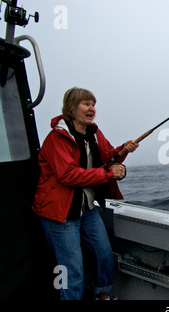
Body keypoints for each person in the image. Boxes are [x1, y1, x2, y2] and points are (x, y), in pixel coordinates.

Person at [32, 87, 139, 300]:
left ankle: (103, 295)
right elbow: (68, 175)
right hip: (59, 214)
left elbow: (109, 155)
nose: (92, 109)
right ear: (72, 107)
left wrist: (124, 149)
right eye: (86, 104)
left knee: (104, 255)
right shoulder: (56, 138)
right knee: (69, 268)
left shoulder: (94, 132)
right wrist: (108, 174)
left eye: (93, 104)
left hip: (86, 208)